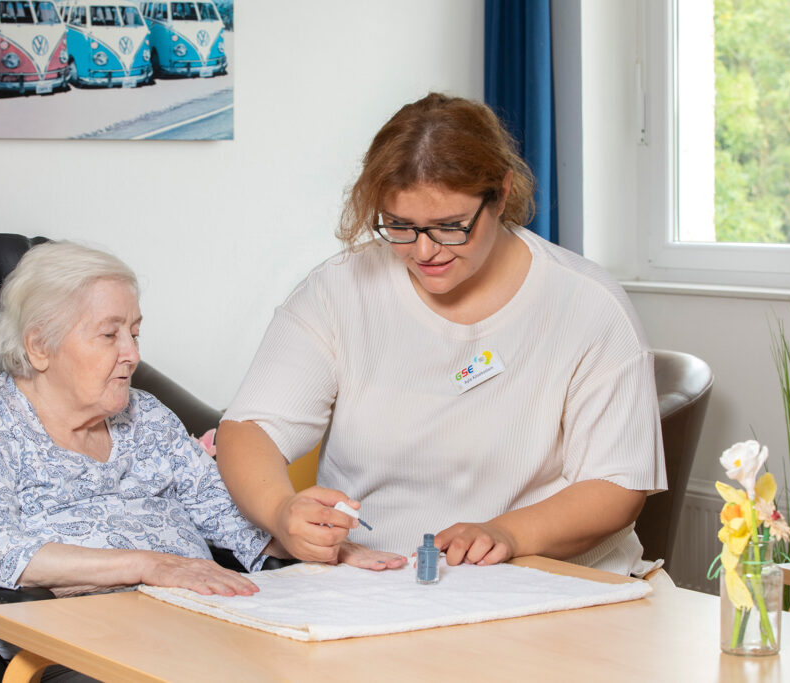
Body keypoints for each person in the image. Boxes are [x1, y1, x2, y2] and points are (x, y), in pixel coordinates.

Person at [216, 92, 666, 577]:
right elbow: (249, 429)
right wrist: (281, 511)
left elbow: (617, 485)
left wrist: (510, 533)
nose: (425, 251)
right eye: (401, 226)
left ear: (501, 194)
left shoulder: (588, 305)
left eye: (451, 227)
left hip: (544, 579)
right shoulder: (338, 290)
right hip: (377, 580)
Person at [0, 242, 283, 601]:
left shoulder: (147, 415)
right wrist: (148, 566)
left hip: (196, 615)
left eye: (134, 333)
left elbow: (224, 511)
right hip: (73, 639)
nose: (133, 355)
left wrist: (307, 536)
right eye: (110, 335)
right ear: (39, 346)